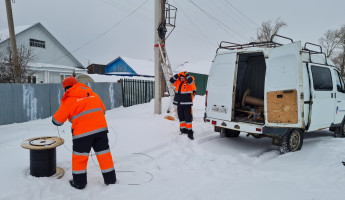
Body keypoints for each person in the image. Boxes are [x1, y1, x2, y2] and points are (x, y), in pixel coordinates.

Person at [52, 77, 116, 189]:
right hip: (101, 130)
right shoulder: (93, 94)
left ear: (66, 88)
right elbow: (103, 110)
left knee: (80, 158)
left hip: (82, 134)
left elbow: (57, 121)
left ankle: (79, 183)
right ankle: (110, 180)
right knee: (104, 155)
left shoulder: (69, 99)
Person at [170, 71, 197, 140]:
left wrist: (187, 75)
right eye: (181, 78)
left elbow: (190, 81)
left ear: (185, 78)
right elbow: (171, 80)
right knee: (181, 118)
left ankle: (189, 132)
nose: (182, 79)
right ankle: (183, 130)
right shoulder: (178, 83)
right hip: (179, 105)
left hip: (187, 105)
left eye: (183, 78)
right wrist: (177, 75)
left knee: (188, 119)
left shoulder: (190, 84)